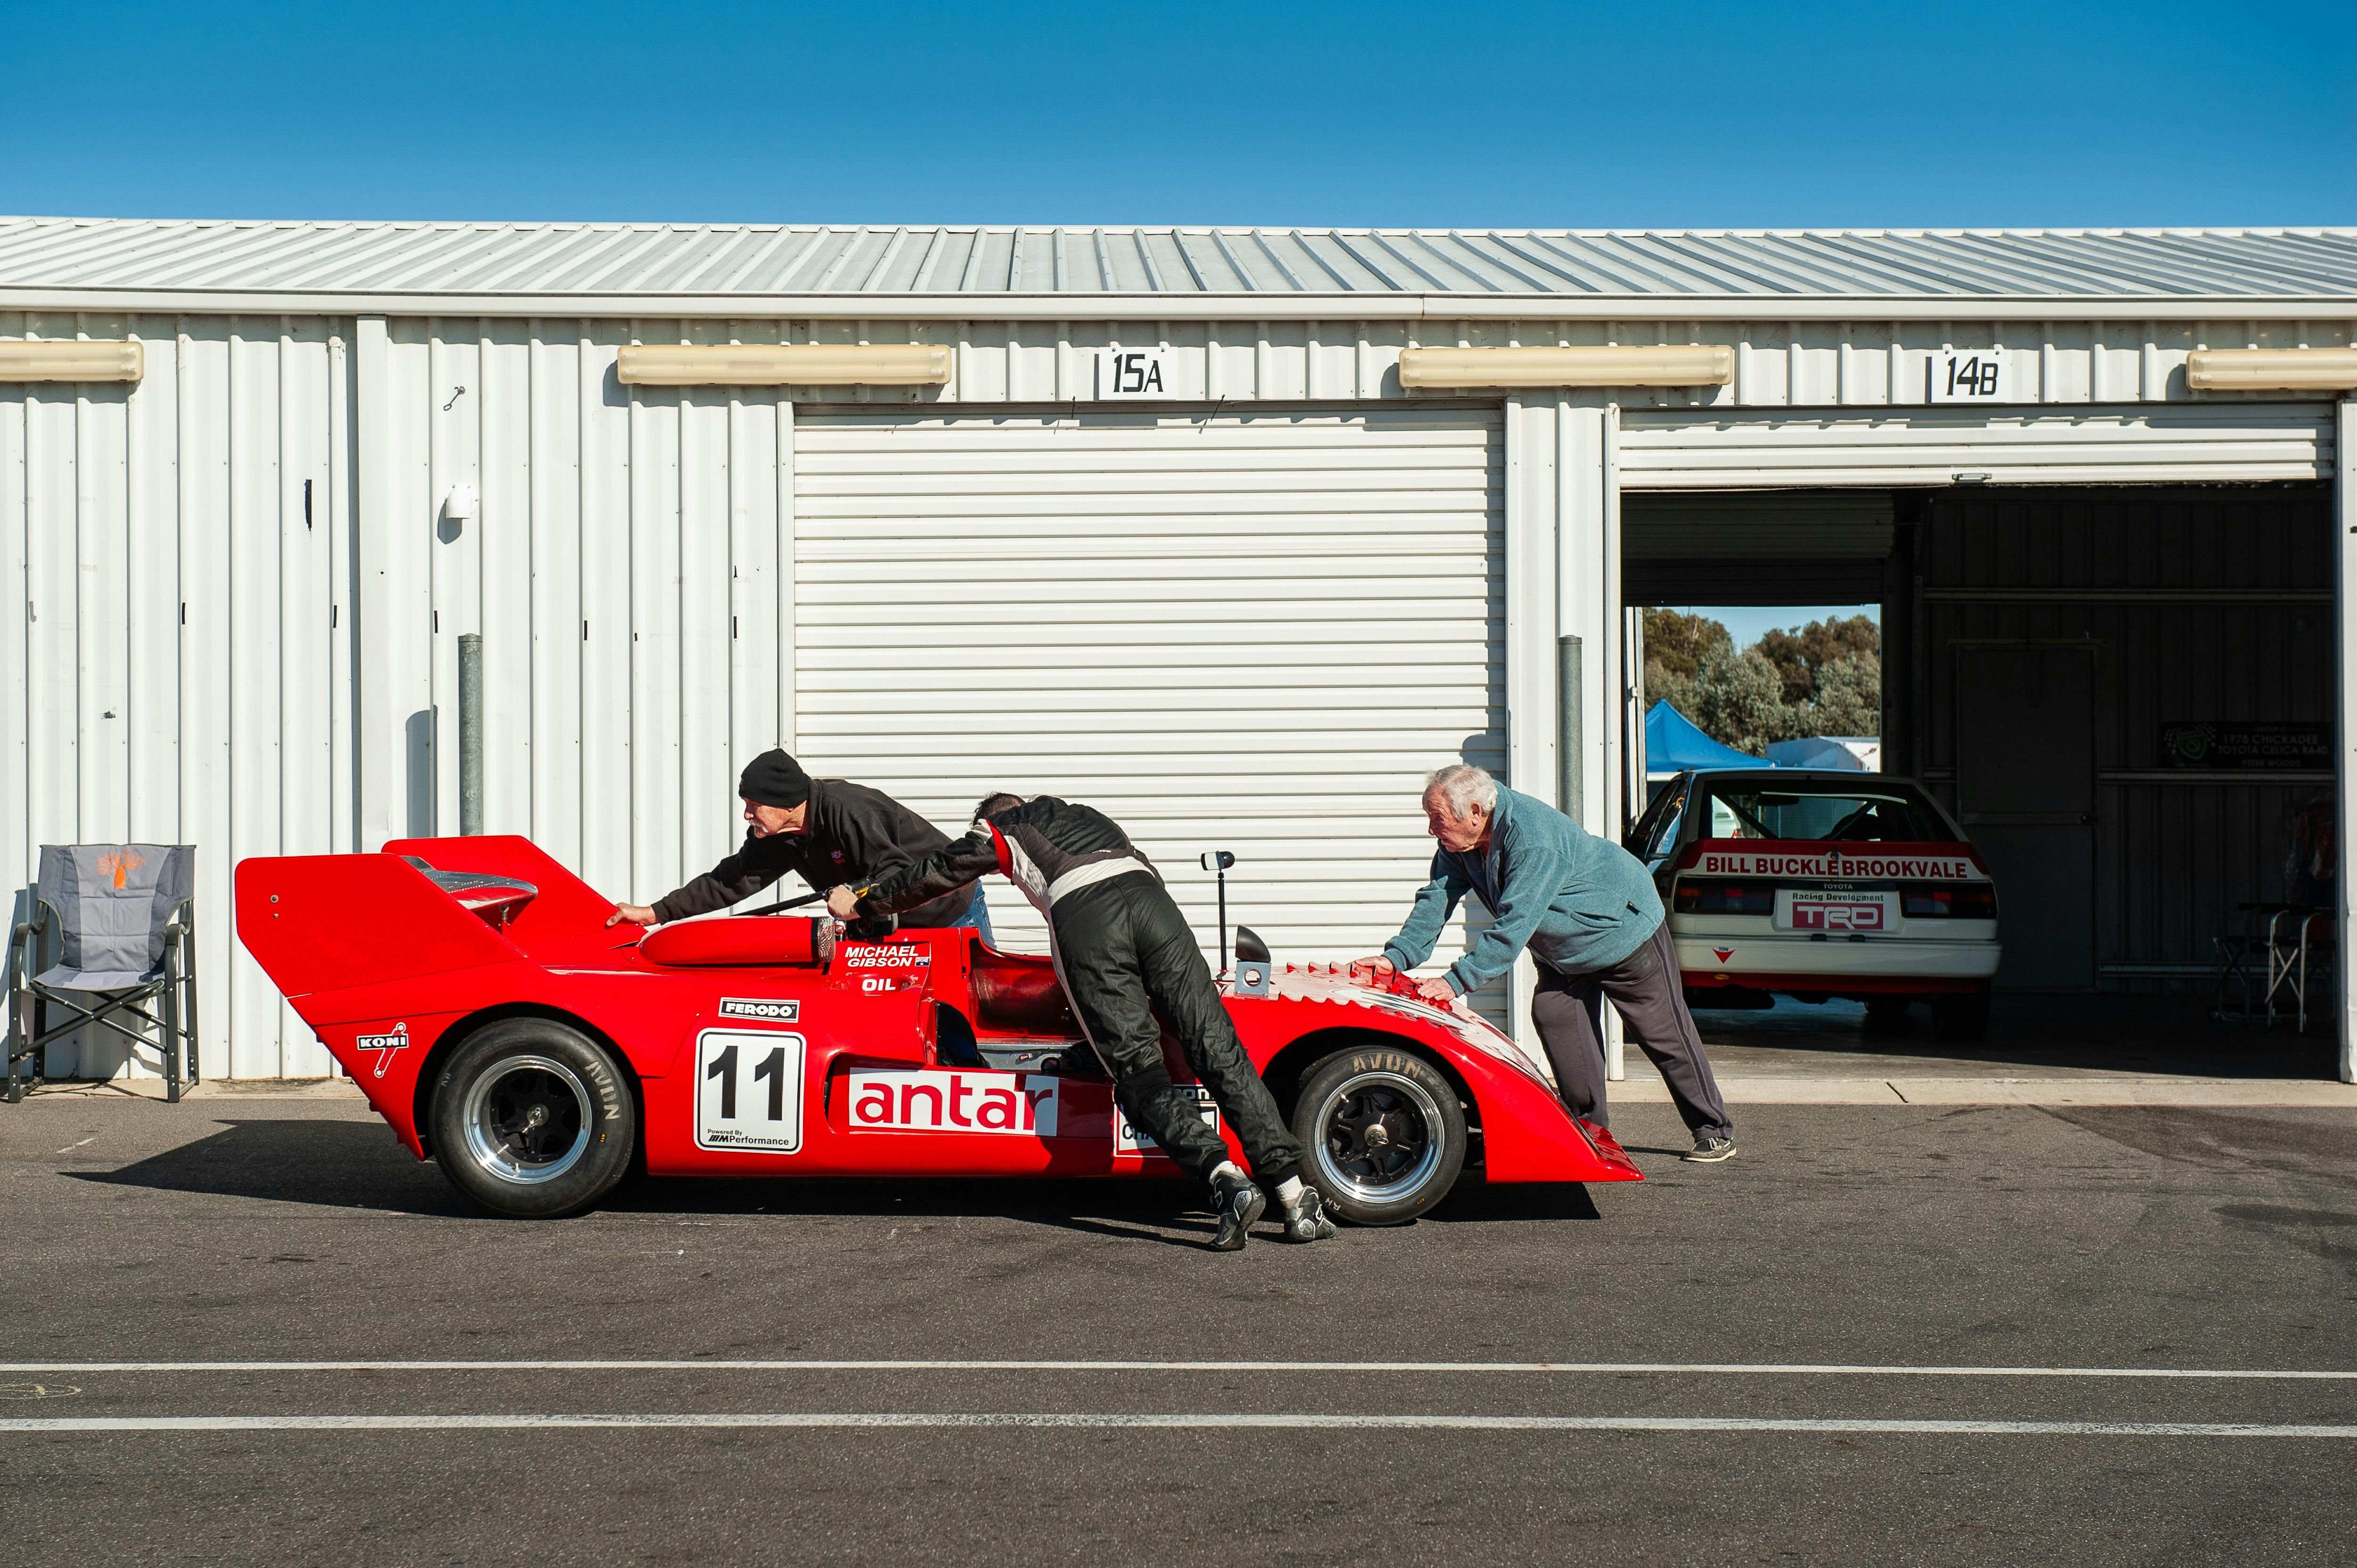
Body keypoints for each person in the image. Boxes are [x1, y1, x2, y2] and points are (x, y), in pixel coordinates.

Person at [832, 791, 1334, 1250]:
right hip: (1152, 903)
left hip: (1087, 917)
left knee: (1136, 1071)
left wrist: (863, 901)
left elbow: (939, 871)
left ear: (990, 820)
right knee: (1215, 1045)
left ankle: (1223, 1177)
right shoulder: (1089, 817)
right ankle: (1294, 1196)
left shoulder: (1002, 828)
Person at [1360, 763, 1736, 1163]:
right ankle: (1590, 1127)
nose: (1431, 829)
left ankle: (1714, 1129)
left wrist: (1456, 981)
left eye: (1437, 818)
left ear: (1474, 811)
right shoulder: (1460, 845)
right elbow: (1435, 900)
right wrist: (1394, 959)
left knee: (1662, 1033)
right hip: (1563, 948)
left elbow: (1514, 925)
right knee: (1554, 1013)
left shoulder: (1532, 838)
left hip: (1623, 931)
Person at [606, 748, 993, 938]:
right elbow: (732, 880)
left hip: (950, 910)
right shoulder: (780, 835)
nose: (747, 816)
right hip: (891, 923)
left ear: (787, 803)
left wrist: (857, 897)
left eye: (753, 806)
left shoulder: (849, 811)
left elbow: (894, 872)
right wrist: (655, 912)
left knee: (969, 1027)